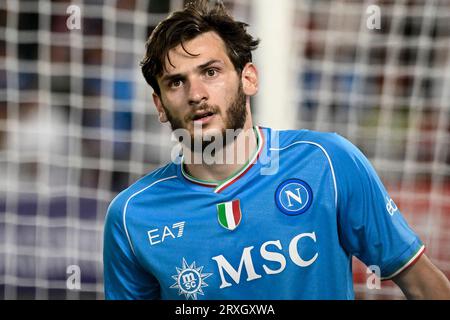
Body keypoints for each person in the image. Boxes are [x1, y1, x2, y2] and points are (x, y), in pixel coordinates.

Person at [103, 0, 450, 300]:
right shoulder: (132, 217)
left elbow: (420, 283)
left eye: (211, 72)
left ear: (249, 79)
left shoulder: (328, 162)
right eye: (176, 82)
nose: (196, 94)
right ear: (159, 105)